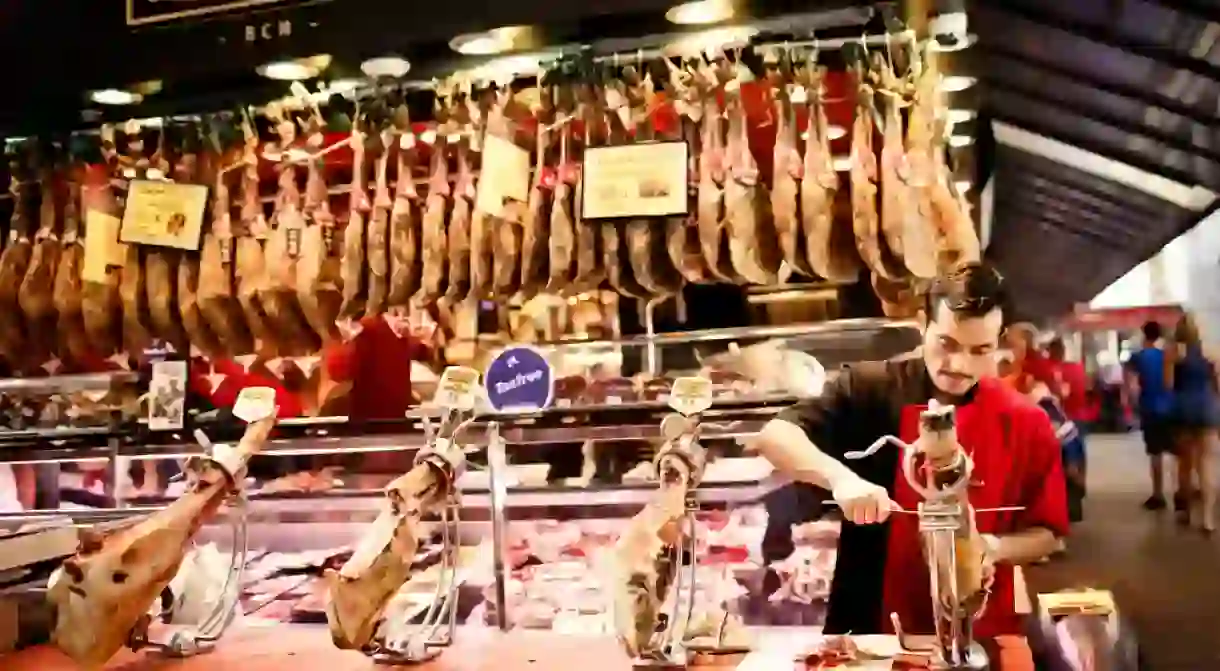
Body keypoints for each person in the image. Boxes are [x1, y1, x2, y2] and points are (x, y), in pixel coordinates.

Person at [755, 262, 1068, 639]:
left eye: (979, 350)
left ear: (999, 341)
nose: (959, 365)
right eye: (947, 344)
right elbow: (775, 435)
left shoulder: (1025, 421)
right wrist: (841, 479)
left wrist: (991, 547)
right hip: (870, 622)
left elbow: (1048, 532)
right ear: (923, 325)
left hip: (979, 624)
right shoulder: (868, 387)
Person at [1166, 313, 1217, 533]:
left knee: (1185, 465)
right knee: (1205, 465)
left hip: (1183, 410)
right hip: (1206, 409)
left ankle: (1185, 512)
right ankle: (1207, 519)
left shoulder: (1174, 352)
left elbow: (1168, 384)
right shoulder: (1209, 352)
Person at [1124, 321, 1176, 511]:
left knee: (1155, 453)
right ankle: (1184, 489)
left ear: (1144, 334)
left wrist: (1132, 403)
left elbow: (1131, 385)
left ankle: (1158, 493)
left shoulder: (1137, 357)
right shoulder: (1167, 356)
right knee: (1177, 450)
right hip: (1170, 407)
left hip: (1150, 408)